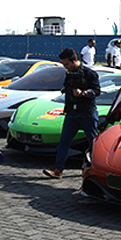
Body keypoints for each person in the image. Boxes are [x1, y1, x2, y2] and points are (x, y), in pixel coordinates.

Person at [43, 48, 101, 179]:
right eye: (63, 64)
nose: (65, 67)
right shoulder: (69, 74)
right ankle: (58, 170)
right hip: (71, 114)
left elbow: (97, 91)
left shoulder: (89, 74)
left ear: (75, 60)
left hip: (87, 114)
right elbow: (66, 88)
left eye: (67, 64)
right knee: (64, 142)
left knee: (94, 144)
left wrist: (84, 93)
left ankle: (97, 170)